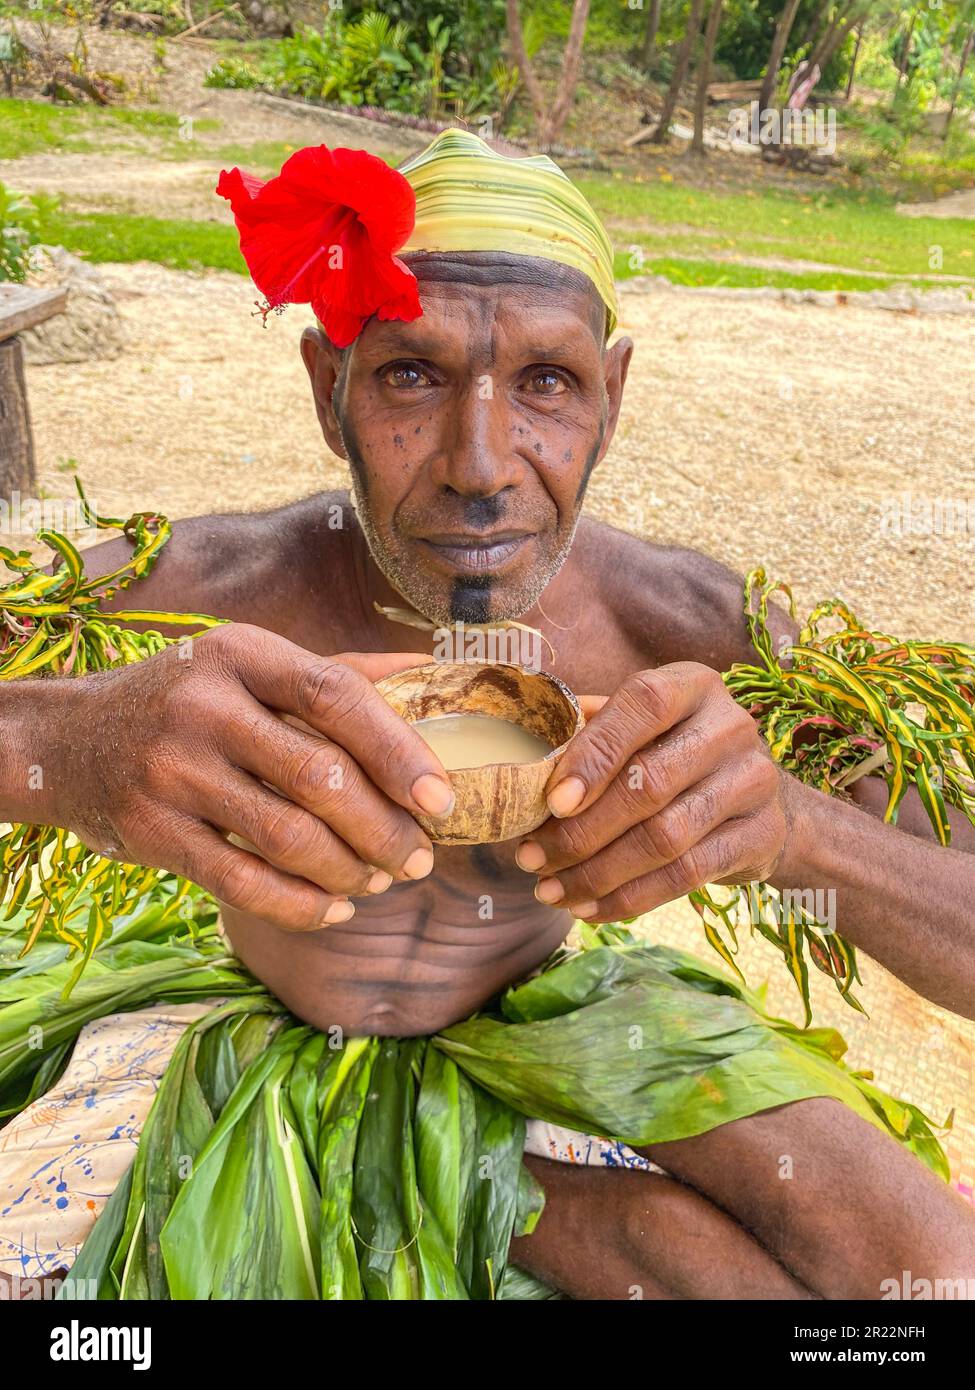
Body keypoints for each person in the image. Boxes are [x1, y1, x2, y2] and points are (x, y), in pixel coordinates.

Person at [1, 130, 973, 1300]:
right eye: (410, 373)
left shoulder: (687, 624)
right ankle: (489, 1194)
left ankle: (498, 1190)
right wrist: (64, 743)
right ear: (330, 388)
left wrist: (791, 831)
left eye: (547, 384)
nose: (481, 464)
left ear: (612, 398)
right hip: (243, 1020)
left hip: (554, 1026)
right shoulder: (201, 596)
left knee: (935, 1274)